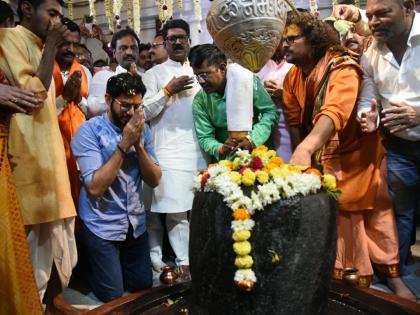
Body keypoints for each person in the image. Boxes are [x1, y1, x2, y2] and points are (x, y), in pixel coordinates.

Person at [282, 11, 414, 300]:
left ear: (313, 38)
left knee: (378, 218)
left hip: (359, 155)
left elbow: (335, 110)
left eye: (292, 38)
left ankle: (394, 280)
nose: (285, 45)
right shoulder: (292, 76)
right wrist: (301, 156)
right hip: (324, 156)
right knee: (337, 220)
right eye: (283, 40)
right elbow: (294, 121)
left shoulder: (341, 64)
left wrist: (306, 148)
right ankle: (344, 281)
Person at [0, 0, 79, 312]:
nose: (57, 21)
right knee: (34, 263)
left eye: (60, 15)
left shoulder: (42, 46)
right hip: (29, 163)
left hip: (51, 164)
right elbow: (32, 95)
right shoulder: (9, 39)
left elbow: (43, 106)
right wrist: (50, 50)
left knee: (63, 259)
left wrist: (64, 99)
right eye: (52, 13)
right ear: (27, 8)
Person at [71, 73, 161, 302]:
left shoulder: (142, 129)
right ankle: (87, 267)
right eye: (125, 105)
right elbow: (94, 188)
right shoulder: (89, 131)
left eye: (137, 106)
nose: (131, 113)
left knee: (142, 285)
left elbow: (155, 180)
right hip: (102, 223)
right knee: (112, 295)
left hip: (134, 223)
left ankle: (114, 267)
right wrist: (124, 144)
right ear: (108, 99)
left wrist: (139, 147)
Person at [354, 0, 420, 280]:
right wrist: (368, 117)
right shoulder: (371, 53)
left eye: (382, 13)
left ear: (408, 7)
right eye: (369, 16)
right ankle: (400, 279)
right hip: (399, 149)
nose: (373, 22)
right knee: (400, 215)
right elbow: (368, 98)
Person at [141, 19, 208, 279]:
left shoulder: (200, 70)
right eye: (172, 39)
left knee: (197, 210)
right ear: (165, 43)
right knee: (173, 211)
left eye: (182, 37)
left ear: (190, 41)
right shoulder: (154, 74)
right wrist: (168, 90)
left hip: (198, 150)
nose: (178, 42)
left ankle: (194, 260)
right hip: (166, 151)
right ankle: (179, 264)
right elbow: (144, 112)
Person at [190, 44, 278, 161]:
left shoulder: (246, 80)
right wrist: (220, 148)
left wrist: (253, 139)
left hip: (259, 154)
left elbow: (270, 112)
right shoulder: (200, 100)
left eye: (204, 75)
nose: (200, 81)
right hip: (227, 161)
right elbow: (205, 137)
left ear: (222, 68)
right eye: (197, 76)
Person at [53, 17, 91, 210]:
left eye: (74, 44)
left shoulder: (83, 70)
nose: (71, 49)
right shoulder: (43, 70)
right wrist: (64, 98)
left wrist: (77, 99)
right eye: (65, 44)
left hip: (80, 142)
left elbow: (90, 111)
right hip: (53, 144)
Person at [87, 28, 142, 117]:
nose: (129, 52)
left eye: (133, 48)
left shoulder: (146, 77)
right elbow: (93, 108)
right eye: (123, 48)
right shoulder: (103, 76)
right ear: (114, 53)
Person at [257, 43, 293, 161]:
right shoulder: (258, 65)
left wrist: (283, 94)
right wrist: (262, 89)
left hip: (289, 125)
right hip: (263, 125)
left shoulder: (293, 64)